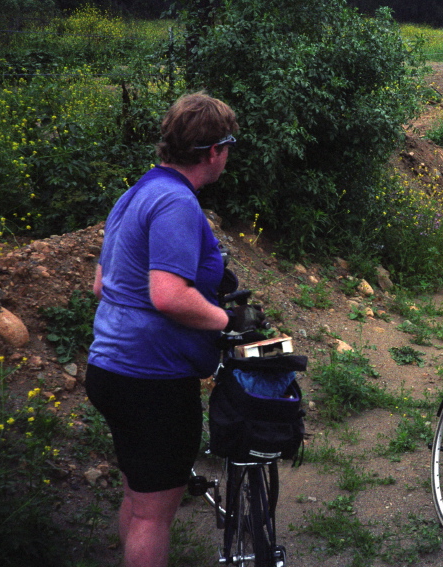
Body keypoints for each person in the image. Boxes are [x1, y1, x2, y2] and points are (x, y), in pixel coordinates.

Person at [85, 92, 263, 567]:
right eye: (229, 149)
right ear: (214, 152)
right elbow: (167, 294)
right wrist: (229, 319)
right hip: (151, 379)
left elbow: (103, 285)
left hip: (109, 367)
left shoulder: (136, 193)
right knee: (152, 517)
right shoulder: (176, 202)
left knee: (139, 497)